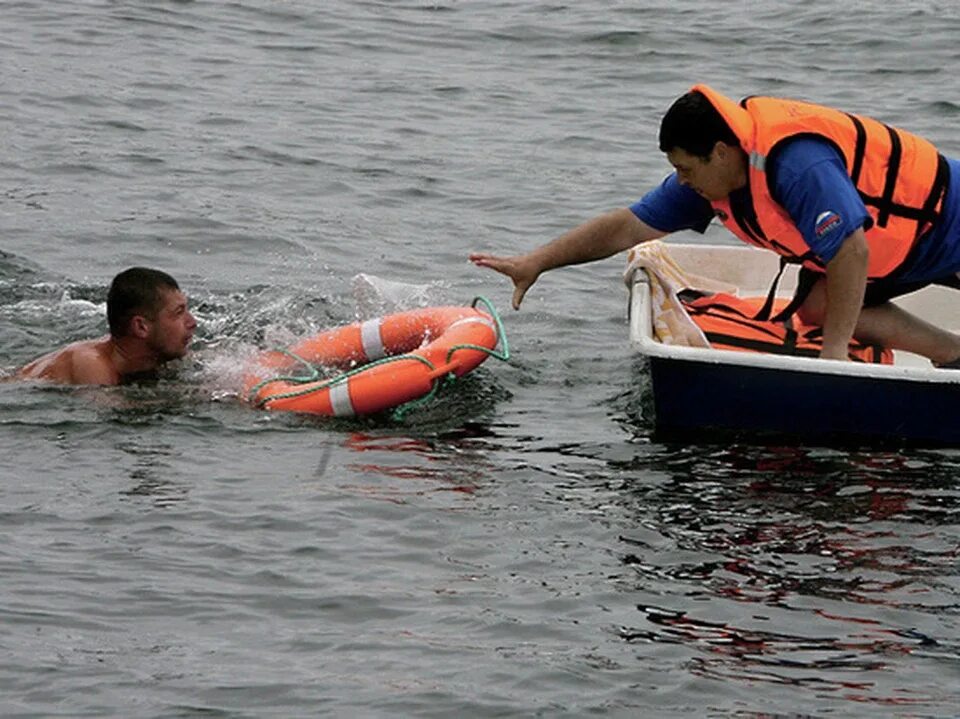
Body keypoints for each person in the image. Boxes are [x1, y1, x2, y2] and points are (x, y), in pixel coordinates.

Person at [470, 84, 960, 367]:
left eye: (687, 169)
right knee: (816, 307)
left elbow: (850, 250)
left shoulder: (795, 165)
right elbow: (627, 227)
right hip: (909, 245)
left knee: (831, 313)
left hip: (948, 223)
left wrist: (834, 358)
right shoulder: (713, 180)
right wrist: (537, 262)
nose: (681, 181)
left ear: (721, 153)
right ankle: (951, 354)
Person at [15, 267, 197, 385]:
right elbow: (109, 412)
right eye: (178, 313)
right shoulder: (90, 363)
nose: (192, 322)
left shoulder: (157, 355)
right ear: (141, 327)